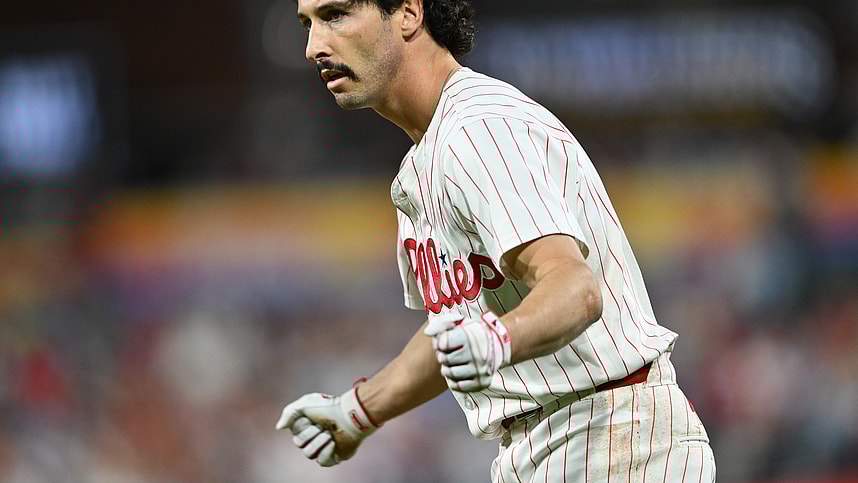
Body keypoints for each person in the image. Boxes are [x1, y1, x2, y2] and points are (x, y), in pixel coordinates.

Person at [276, 0, 717, 480]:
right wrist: (358, 410)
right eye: (308, 24)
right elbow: (458, 332)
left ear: (407, 12)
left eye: (335, 15)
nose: (313, 46)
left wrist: (497, 339)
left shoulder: (478, 127)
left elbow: (574, 287)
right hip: (556, 445)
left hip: (611, 435)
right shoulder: (427, 157)